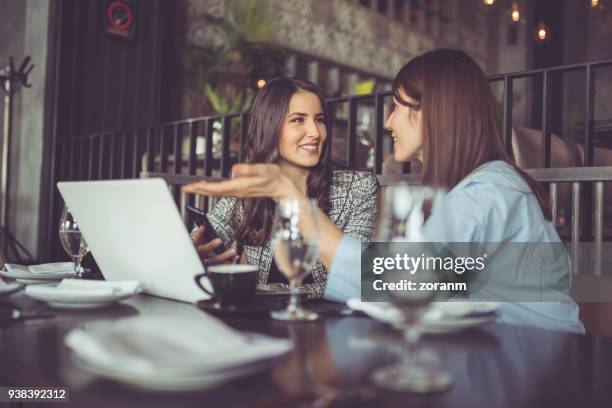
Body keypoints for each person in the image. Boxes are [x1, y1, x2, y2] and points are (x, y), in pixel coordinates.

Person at [184, 50, 583, 332]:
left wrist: (289, 197)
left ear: (433, 112)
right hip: (508, 351)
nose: (388, 121)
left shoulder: (490, 192)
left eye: (397, 106)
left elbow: (399, 283)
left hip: (541, 360)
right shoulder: (478, 189)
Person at [192, 77, 378, 297]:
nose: (316, 132)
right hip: (258, 323)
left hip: (327, 322)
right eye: (298, 120)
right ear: (270, 128)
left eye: (319, 120)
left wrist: (265, 290)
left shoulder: (358, 188)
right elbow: (209, 230)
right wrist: (196, 249)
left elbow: (361, 275)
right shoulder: (253, 185)